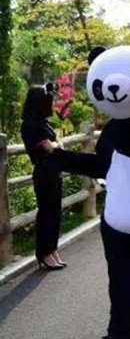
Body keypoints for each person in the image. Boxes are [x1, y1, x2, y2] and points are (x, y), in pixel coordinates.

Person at [20, 84, 67, 271]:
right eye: (47, 99)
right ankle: (44, 253)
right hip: (43, 172)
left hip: (53, 170)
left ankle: (52, 249)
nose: (51, 102)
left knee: (55, 212)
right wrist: (56, 145)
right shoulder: (31, 125)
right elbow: (52, 147)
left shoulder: (43, 122)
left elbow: (57, 145)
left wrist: (56, 145)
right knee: (47, 213)